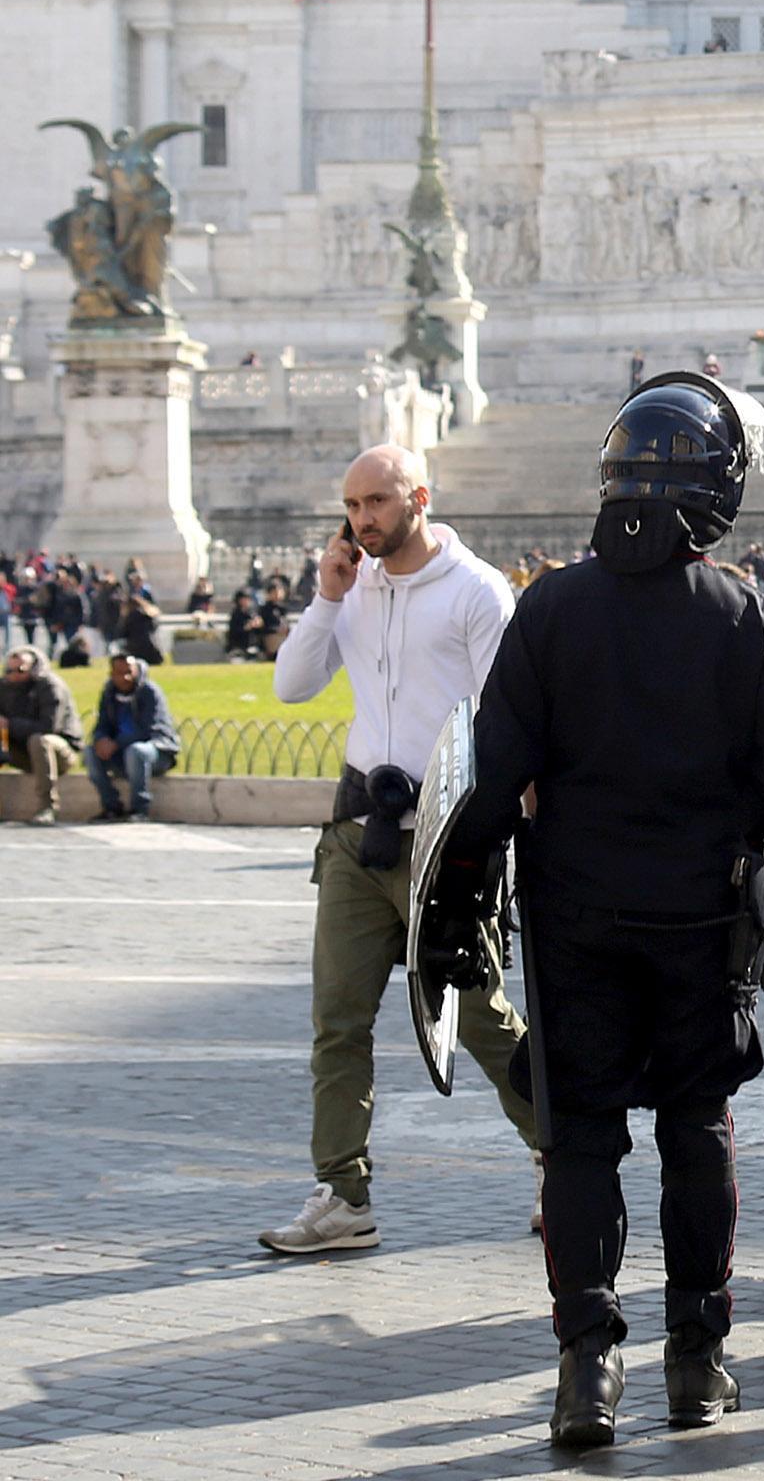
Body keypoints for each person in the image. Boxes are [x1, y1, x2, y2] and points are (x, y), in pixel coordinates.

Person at [441, 373, 764, 1449]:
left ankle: (587, 1366)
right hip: (702, 923)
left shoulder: (550, 606)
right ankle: (696, 1360)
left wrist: (464, 890)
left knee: (580, 1140)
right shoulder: (745, 613)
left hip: (574, 915)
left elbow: (492, 774)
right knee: (696, 1135)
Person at [258, 446, 541, 1257]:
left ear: (418, 496)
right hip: (356, 834)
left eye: (376, 501)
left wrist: (504, 838)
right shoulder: (352, 587)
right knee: (336, 1020)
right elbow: (291, 685)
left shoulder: (476, 590)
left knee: (480, 1015)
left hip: (446, 840)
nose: (362, 519)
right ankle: (342, 1195)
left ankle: (555, 1154)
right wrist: (325, 598)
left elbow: (509, 719)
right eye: (351, 505)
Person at [85, 651, 178, 821]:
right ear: (112, 674)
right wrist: (101, 739)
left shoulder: (149, 692)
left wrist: (116, 743)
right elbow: (102, 723)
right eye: (119, 673)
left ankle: (140, 809)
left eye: (129, 672)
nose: (125, 678)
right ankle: (111, 806)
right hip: (120, 752)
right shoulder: (109, 693)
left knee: (136, 751)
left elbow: (150, 729)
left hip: (155, 751)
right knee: (90, 752)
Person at [1, 644, 84, 819]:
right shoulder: (4, 687)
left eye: (20, 670)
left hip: (59, 752)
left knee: (40, 740)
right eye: (9, 670)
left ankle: (47, 807)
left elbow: (49, 726)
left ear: (34, 668)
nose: (14, 675)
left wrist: (10, 724)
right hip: (22, 751)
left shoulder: (50, 686)